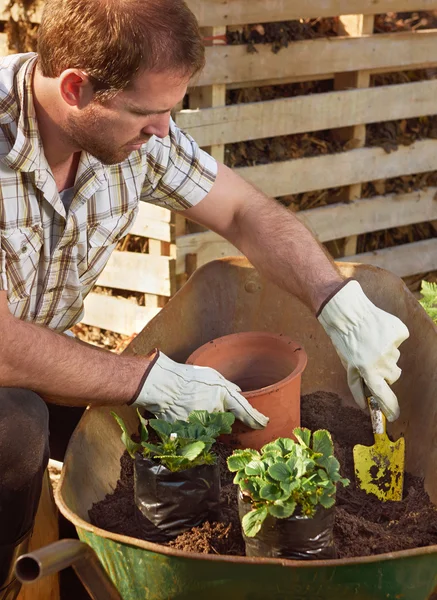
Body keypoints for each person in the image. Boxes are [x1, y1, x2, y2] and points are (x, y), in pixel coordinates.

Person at [0, 0, 409, 596]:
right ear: (76, 88)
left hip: (32, 352)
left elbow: (244, 211)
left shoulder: (136, 129)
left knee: (134, 453)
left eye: (172, 110)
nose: (164, 131)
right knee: (16, 427)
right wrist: (153, 381)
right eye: (149, 113)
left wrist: (338, 303)